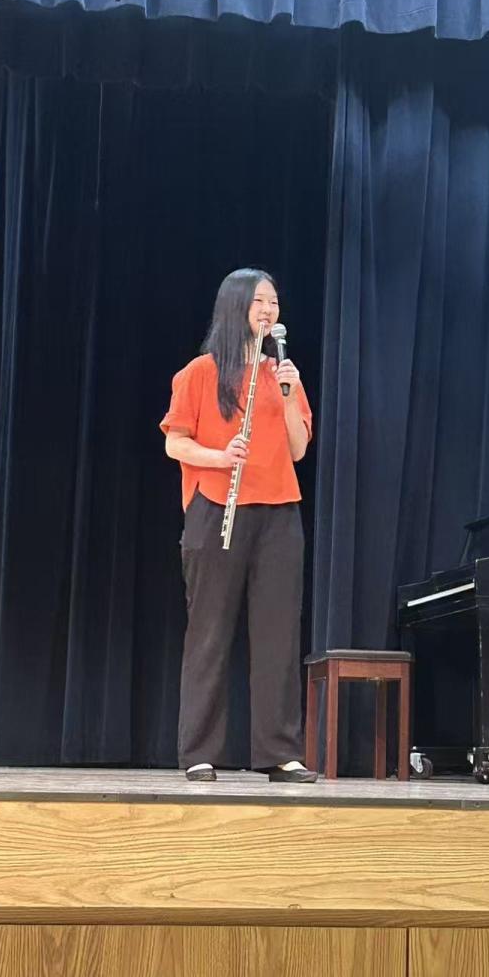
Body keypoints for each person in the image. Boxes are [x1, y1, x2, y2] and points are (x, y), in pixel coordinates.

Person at [160, 268, 317, 783]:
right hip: (216, 506)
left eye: (274, 301)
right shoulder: (200, 373)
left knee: (278, 634)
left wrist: (290, 393)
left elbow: (298, 449)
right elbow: (175, 442)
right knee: (209, 632)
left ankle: (279, 752)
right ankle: (199, 751)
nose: (269, 310)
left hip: (279, 510)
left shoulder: (283, 374)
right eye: (259, 302)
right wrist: (220, 457)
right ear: (236, 307)